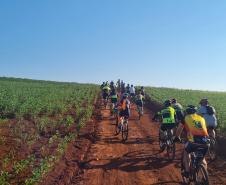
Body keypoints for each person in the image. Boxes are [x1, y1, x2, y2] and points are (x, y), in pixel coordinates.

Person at [174, 105, 209, 179]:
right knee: (202, 159)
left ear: (187, 112)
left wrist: (177, 137)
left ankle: (186, 171)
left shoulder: (186, 118)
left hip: (193, 142)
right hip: (206, 142)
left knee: (186, 152)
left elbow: (179, 128)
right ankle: (204, 177)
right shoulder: (201, 118)